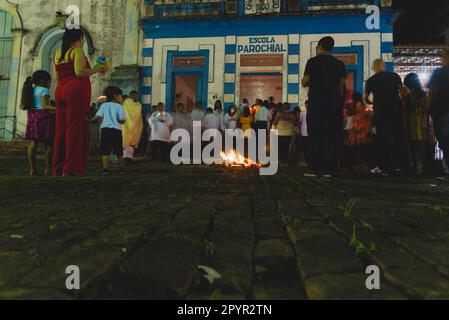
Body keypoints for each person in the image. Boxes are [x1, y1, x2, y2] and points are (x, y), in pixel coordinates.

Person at [52, 28, 108, 176]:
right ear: (79, 39)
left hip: (60, 90)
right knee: (75, 128)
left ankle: (58, 167)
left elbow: (57, 77)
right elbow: (79, 72)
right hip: (75, 90)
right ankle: (70, 168)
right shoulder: (77, 51)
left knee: (61, 129)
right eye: (82, 39)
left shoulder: (57, 53)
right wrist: (99, 69)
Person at [301, 36, 346, 177]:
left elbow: (305, 81)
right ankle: (329, 169)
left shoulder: (312, 62)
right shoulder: (339, 64)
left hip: (316, 103)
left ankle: (314, 168)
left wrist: (306, 81)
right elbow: (343, 87)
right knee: (331, 136)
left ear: (320, 47)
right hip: (333, 105)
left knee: (315, 135)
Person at [365, 58, 410, 175]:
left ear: (374, 67)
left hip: (380, 113)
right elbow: (402, 91)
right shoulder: (394, 76)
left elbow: (366, 98)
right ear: (383, 66)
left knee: (382, 138)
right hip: (395, 110)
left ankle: (385, 166)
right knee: (399, 137)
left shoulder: (371, 80)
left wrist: (372, 103)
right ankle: (405, 165)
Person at [21, 70, 56, 176]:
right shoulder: (44, 90)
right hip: (43, 116)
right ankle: (47, 169)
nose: (50, 84)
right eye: (49, 82)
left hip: (33, 116)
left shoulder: (32, 89)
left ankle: (32, 170)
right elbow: (45, 106)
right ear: (43, 81)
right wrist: (59, 108)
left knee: (33, 143)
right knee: (49, 144)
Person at [88, 86, 126, 176]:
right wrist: (120, 120)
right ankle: (121, 169)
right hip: (117, 130)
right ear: (115, 96)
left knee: (105, 150)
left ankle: (105, 169)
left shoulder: (104, 105)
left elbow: (98, 117)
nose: (122, 98)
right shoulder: (119, 107)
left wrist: (89, 120)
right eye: (121, 96)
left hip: (105, 130)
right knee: (119, 151)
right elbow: (122, 119)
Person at [401, 73, 428, 176]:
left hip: (411, 120)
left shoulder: (408, 93)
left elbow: (406, 106)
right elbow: (425, 107)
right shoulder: (422, 93)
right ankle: (421, 167)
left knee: (413, 145)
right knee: (420, 144)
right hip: (419, 120)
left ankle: (416, 167)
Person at [428, 49, 449, 180]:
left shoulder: (439, 73)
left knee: (444, 142)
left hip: (441, 112)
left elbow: (433, 92)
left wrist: (427, 108)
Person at [345, 93, 372, 170]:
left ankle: (358, 164)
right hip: (363, 126)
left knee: (358, 147)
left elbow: (356, 114)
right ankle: (362, 164)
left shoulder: (356, 104)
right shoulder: (362, 104)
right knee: (362, 147)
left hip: (358, 127)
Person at [122, 90, 143, 161]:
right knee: (126, 142)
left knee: (133, 142)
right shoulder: (126, 103)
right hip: (126, 126)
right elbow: (126, 114)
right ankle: (125, 157)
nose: (137, 97)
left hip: (136, 126)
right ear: (131, 95)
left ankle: (130, 157)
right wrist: (130, 124)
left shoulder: (138, 105)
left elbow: (138, 116)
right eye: (136, 95)